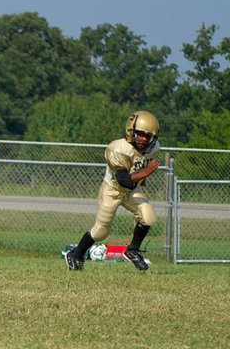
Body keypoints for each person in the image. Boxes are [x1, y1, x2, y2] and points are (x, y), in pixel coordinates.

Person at [64, 110, 162, 272]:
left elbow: (134, 174)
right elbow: (123, 179)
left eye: (148, 136)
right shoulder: (117, 148)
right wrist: (146, 172)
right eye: (140, 134)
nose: (144, 139)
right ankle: (76, 255)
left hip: (131, 190)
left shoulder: (153, 148)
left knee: (148, 217)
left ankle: (132, 250)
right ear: (131, 131)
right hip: (113, 189)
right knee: (101, 231)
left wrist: (142, 174)